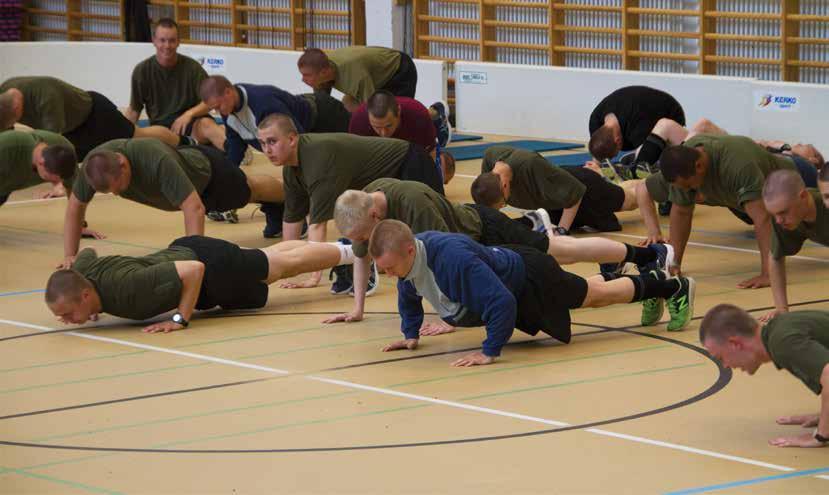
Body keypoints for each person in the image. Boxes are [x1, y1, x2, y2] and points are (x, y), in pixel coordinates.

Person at [328, 178, 674, 327]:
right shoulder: (365, 211)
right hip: (482, 249)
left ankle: (647, 255)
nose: (362, 241)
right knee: (563, 263)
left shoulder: (414, 205)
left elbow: (447, 265)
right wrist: (358, 308)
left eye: (361, 234)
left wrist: (450, 319)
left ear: (375, 216)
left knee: (563, 251)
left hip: (485, 231)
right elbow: (363, 255)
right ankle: (630, 272)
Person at [370, 220, 695, 366]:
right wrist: (410, 334)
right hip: (511, 273)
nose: (388, 275)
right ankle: (649, 281)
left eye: (388, 267)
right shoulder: (409, 262)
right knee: (595, 290)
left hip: (531, 277)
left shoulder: (452, 258)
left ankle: (671, 286)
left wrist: (489, 351)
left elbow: (501, 302)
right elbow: (408, 292)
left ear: (410, 250)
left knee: (595, 296)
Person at [256, 113, 444, 289]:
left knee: (440, 234)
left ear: (291, 139)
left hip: (410, 162)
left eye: (272, 142)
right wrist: (287, 267)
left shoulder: (318, 159)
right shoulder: (291, 168)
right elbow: (292, 219)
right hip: (385, 183)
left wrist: (313, 276)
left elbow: (317, 225)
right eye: (262, 144)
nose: (267, 150)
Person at [45, 235, 356, 333]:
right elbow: (85, 254)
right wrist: (90, 308)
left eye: (68, 313)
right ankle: (340, 246)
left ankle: (354, 252)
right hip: (193, 255)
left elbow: (193, 270)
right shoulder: (86, 277)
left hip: (209, 266)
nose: (66, 320)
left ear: (85, 295)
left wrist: (180, 319)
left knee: (281, 268)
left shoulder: (128, 285)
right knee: (270, 257)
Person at [59, 138, 285, 267]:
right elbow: (75, 208)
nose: (118, 193)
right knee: (251, 192)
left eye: (120, 186)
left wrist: (193, 257)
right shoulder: (94, 168)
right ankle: (280, 206)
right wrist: (70, 254)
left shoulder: (155, 160)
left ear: (123, 164)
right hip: (189, 179)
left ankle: (293, 195)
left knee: (251, 191)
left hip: (210, 177)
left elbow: (194, 208)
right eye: (111, 192)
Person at [635, 134, 815, 289]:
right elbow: (681, 212)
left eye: (688, 185)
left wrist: (768, 274)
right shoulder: (681, 167)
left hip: (797, 180)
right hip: (746, 202)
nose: (687, 190)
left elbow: (763, 219)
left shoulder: (737, 164)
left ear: (699, 166)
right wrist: (673, 264)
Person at [700, 304, 829, 448]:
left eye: (721, 357)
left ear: (735, 344)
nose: (725, 366)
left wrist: (821, 435)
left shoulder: (783, 342)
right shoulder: (779, 329)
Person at [0, 76, 179, 158]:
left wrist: (59, 184)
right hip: (72, 128)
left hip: (96, 116)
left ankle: (182, 142)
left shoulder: (47, 100)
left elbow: (52, 143)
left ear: (18, 107)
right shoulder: (5, 95)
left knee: (138, 136)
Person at [476, 145, 642, 233]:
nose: (504, 205)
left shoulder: (529, 163)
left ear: (505, 186)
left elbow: (575, 194)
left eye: (503, 203)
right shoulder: (491, 159)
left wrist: (561, 231)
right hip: (555, 197)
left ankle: (654, 184)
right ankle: (607, 177)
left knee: (631, 201)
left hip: (584, 191)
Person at [199, 75, 351, 167]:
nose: (218, 111)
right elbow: (235, 147)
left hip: (324, 114)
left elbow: (298, 143)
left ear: (228, 92)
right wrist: (228, 176)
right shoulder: (228, 110)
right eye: (214, 108)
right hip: (305, 122)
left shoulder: (263, 102)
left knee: (348, 154)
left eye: (218, 106)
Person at [125, 18, 225, 149]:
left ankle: (233, 150)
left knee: (207, 125)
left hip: (191, 126)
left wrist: (188, 115)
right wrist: (122, 137)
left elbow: (211, 101)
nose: (167, 46)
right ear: (154, 41)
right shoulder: (142, 71)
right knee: (144, 135)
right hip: (161, 130)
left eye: (172, 41)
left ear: (178, 42)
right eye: (162, 40)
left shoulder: (193, 68)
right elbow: (134, 110)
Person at [761, 170, 829, 322]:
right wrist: (781, 309)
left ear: (803, 196)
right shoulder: (782, 219)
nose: (779, 220)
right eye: (774, 214)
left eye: (783, 212)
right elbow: (775, 256)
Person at [297, 46, 418, 112]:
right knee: (347, 105)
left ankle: (434, 115)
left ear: (323, 73)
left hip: (399, 69)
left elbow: (372, 111)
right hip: (375, 74)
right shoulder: (323, 68)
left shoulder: (356, 76)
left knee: (395, 112)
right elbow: (322, 105)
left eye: (307, 75)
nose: (303, 80)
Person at [588, 85, 685, 162]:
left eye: (616, 154)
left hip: (671, 112)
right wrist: (596, 164)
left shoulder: (637, 130)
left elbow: (647, 153)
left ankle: (637, 155)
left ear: (618, 141)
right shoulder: (595, 121)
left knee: (645, 158)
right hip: (637, 104)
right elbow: (598, 148)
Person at [349, 90, 452, 152]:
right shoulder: (358, 122)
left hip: (415, 129)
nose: (383, 133)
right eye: (377, 127)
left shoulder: (418, 115)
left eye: (388, 126)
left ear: (398, 112)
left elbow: (430, 155)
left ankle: (437, 115)